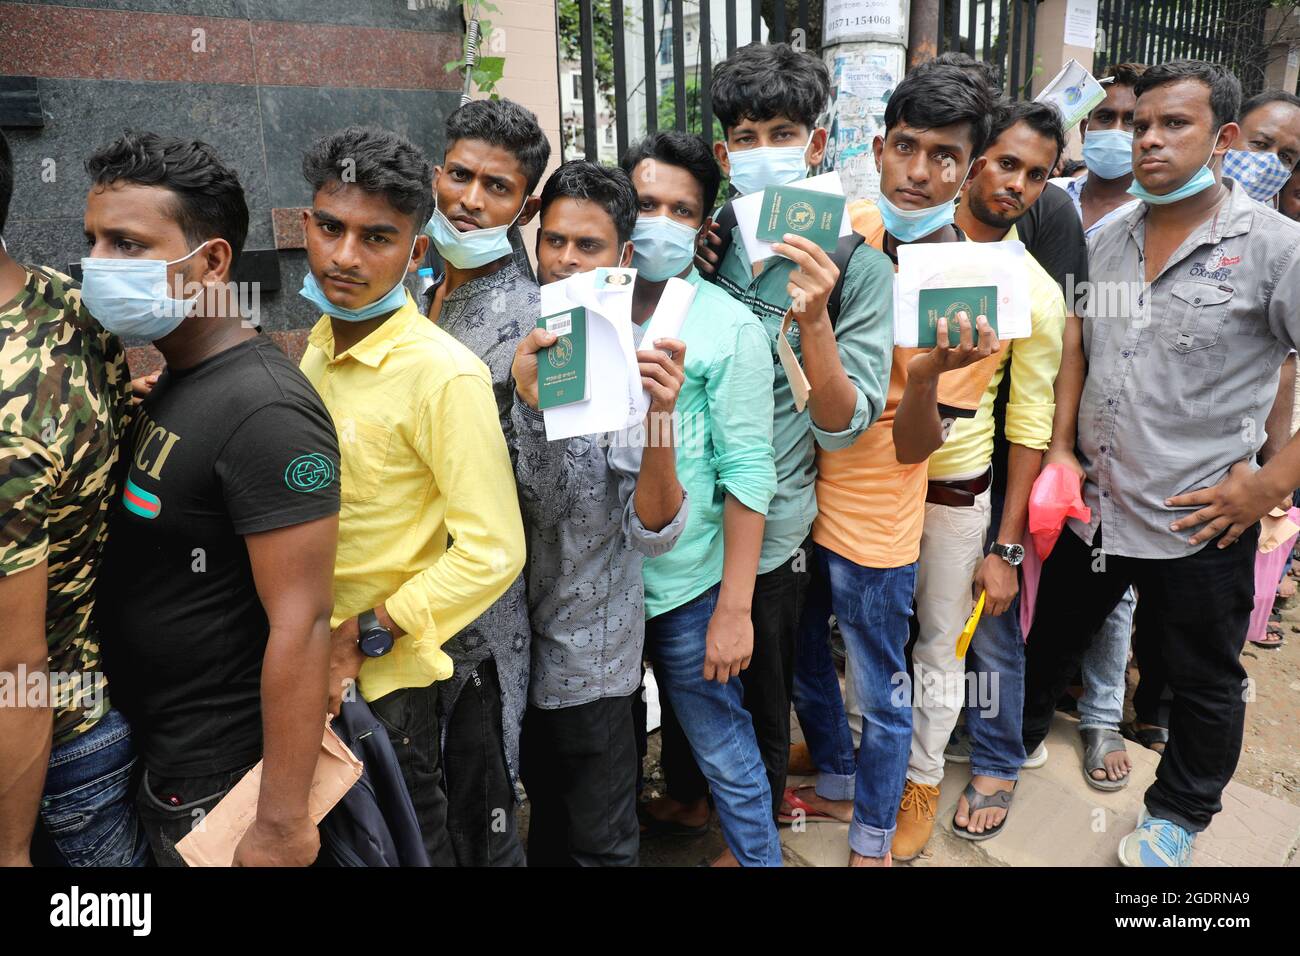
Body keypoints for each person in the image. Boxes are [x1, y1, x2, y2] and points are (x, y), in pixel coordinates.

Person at [1027, 60, 1300, 867]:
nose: (1146, 139)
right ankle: (1017, 741)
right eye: (1137, 124)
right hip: (1099, 507)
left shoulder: (1274, 249)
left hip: (1202, 515)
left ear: (1221, 140)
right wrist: (1062, 456)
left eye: (1171, 124)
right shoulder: (1107, 239)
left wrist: (1271, 483)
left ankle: (1179, 812)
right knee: (1050, 641)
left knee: (1202, 677)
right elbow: (1080, 348)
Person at [91, 132, 340, 867]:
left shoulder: (265, 412)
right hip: (164, 752)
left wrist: (281, 822)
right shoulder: (178, 378)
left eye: (128, 245)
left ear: (212, 262)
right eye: (94, 241)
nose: (99, 265)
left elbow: (304, 620)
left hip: (220, 782)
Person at [685, 42, 898, 866]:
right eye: (745, 134)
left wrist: (814, 324)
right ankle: (694, 793)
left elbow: (844, 425)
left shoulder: (858, 267)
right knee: (693, 671)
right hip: (681, 513)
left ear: (817, 144)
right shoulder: (710, 242)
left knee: (761, 689)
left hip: (768, 522)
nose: (762, 148)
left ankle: (757, 832)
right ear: (723, 152)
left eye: (782, 130)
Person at [787, 64, 1000, 867]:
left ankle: (874, 834)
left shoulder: (975, 290)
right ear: (876, 150)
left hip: (878, 520)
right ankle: (836, 774)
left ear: (969, 170)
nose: (921, 172)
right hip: (799, 496)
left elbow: (916, 447)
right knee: (806, 655)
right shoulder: (851, 227)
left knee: (881, 684)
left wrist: (927, 375)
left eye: (945, 156)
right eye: (906, 147)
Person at [298, 125, 526, 865]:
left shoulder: (444, 374)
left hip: (386, 692)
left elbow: (495, 550)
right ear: (307, 225)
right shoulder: (316, 349)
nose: (344, 256)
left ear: (415, 252)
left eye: (377, 238)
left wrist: (369, 631)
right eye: (330, 228)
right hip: (307, 672)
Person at [888, 101, 1066, 859]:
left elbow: (1030, 427)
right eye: (1005, 161)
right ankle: (862, 753)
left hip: (953, 496)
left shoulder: (1035, 290)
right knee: (866, 637)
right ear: (969, 160)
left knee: (937, 647)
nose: (1016, 182)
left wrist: (1009, 548)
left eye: (1037, 174)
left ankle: (922, 778)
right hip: (863, 485)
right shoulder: (894, 236)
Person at [515, 159, 689, 866]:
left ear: (621, 258)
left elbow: (653, 534)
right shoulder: (507, 342)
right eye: (553, 240)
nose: (564, 260)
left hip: (593, 663)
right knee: (544, 833)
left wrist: (661, 420)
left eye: (587, 247)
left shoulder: (641, 364)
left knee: (601, 844)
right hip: (506, 652)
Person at [619, 132, 779, 866]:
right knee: (602, 756)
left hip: (685, 588)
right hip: (592, 593)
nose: (659, 221)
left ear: (703, 224)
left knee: (725, 751)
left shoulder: (729, 326)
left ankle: (758, 858)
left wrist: (734, 611)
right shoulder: (582, 307)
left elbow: (748, 472)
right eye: (645, 203)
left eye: (680, 210)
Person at [0, 129, 149, 868]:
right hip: (89, 715)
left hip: (41, 763)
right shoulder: (61, 304)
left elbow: (15, 671)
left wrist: (11, 852)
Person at [421, 98, 551, 866]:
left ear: (524, 205)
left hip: (478, 619)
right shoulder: (414, 282)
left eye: (495, 188)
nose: (470, 201)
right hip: (402, 600)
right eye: (460, 177)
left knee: (483, 809)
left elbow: (540, 488)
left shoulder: (533, 322)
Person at [1045, 63, 1149, 780]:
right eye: (1103, 119)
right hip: (1039, 418)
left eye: (1132, 122)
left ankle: (1103, 717)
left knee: (1115, 582)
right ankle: (1028, 703)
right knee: (1041, 574)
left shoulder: (1157, 216)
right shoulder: (1052, 200)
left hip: (1118, 431)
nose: (1116, 134)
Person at [1050, 63, 1146, 238]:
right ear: (1084, 130)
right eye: (1105, 117)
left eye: (1131, 121)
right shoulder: (1048, 194)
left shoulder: (1150, 217)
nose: (1116, 130)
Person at [1222, 90, 1300, 206]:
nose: (1269, 162)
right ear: (1226, 137)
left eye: (1285, 156)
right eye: (1260, 143)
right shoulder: (1186, 195)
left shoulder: (1273, 223)